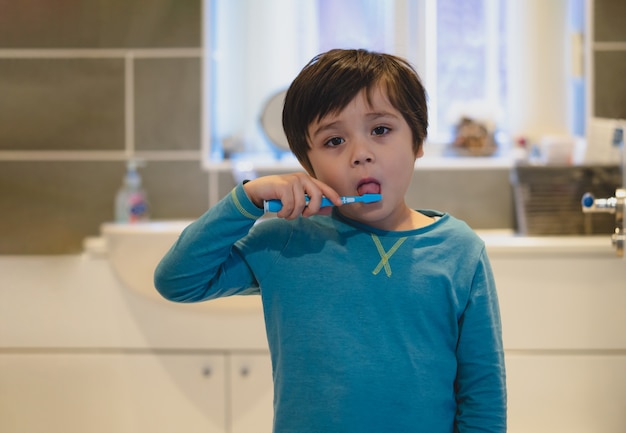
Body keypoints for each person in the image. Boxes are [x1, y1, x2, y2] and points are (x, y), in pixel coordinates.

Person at [154, 48, 507, 432]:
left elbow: (483, 394)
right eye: (334, 141)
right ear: (308, 164)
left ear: (418, 140)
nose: (361, 154)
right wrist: (248, 199)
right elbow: (178, 281)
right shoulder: (285, 242)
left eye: (381, 130)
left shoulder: (459, 250)